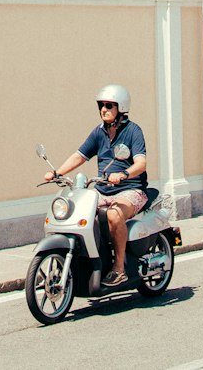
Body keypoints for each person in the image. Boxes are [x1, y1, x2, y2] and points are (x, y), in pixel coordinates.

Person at [44, 82, 148, 288]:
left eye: (109, 105)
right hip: (103, 189)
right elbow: (79, 156)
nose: (104, 110)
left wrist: (124, 174)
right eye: (101, 105)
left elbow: (141, 164)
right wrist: (57, 172)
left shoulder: (133, 131)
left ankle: (119, 269)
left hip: (131, 189)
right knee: (77, 212)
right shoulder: (99, 132)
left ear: (121, 108)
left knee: (113, 214)